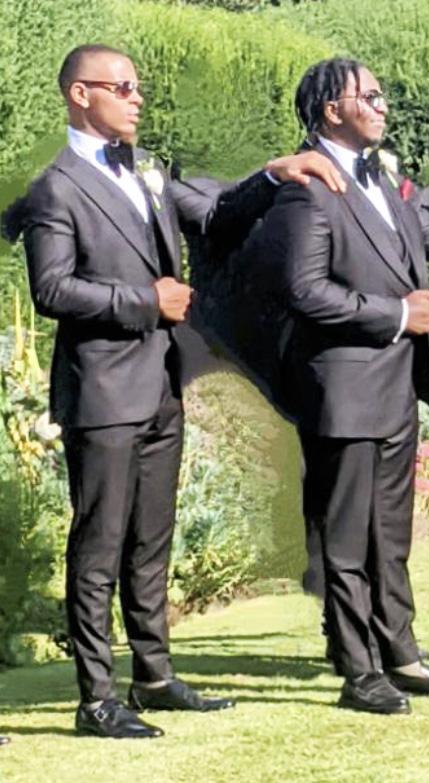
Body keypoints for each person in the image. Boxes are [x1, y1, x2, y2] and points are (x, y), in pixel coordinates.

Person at [14, 43, 344, 739]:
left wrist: (273, 174)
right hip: (103, 391)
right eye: (122, 87)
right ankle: (96, 698)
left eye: (138, 87)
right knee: (100, 543)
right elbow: (51, 289)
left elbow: (216, 217)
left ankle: (155, 676)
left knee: (151, 540)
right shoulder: (56, 188)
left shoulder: (147, 171)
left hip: (162, 384)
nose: (136, 98)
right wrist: (146, 301)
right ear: (80, 94)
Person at [254, 57, 429, 715]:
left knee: (391, 533)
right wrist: (397, 315)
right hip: (345, 391)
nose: (383, 107)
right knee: (346, 537)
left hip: (395, 386)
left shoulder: (379, 178)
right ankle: (359, 671)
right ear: (332, 110)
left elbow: (424, 241)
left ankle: (401, 654)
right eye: (371, 96)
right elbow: (304, 291)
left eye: (382, 96)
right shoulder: (308, 188)